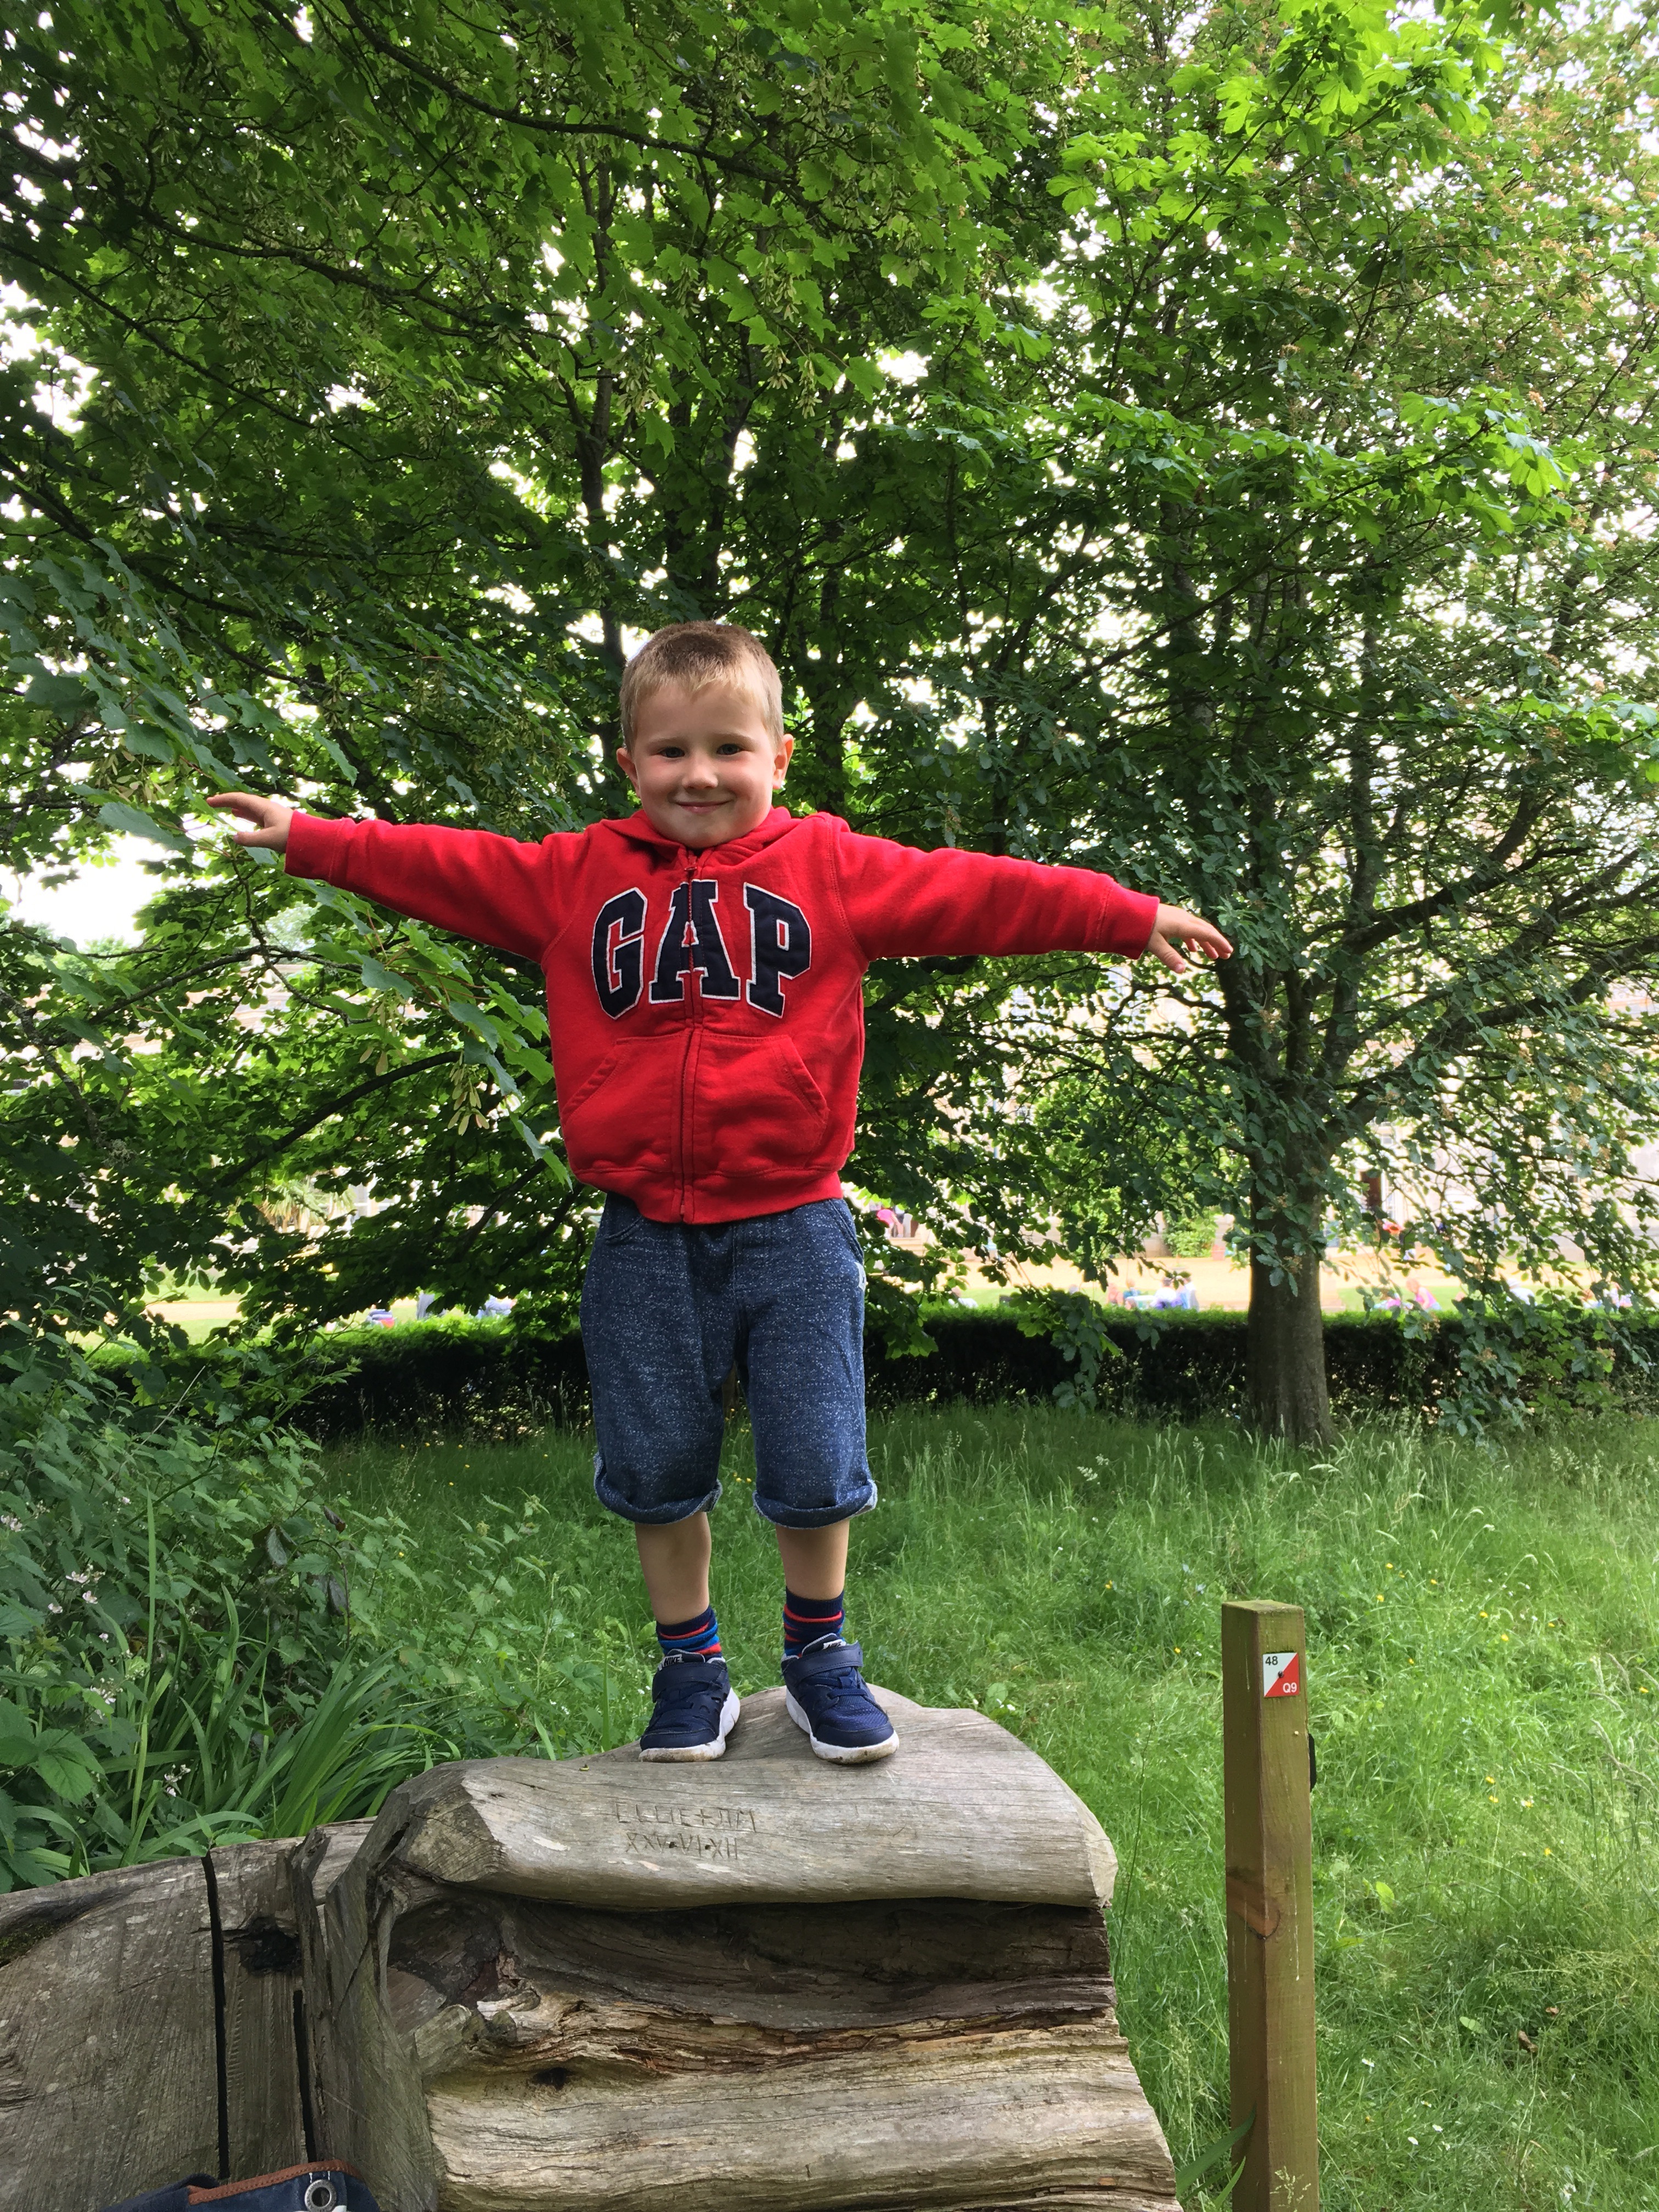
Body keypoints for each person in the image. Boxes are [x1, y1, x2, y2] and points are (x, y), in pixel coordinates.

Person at [207, 623, 1231, 1767]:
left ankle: (819, 1656)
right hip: (645, 1233)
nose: (699, 774)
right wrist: (312, 838)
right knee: (655, 1470)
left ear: (779, 758)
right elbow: (442, 865)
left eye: (729, 749)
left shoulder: (833, 869)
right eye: (670, 751)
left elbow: (984, 893)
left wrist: (1126, 915)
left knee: (816, 1459)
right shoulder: (572, 879)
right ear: (629, 762)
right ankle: (691, 1668)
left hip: (796, 1225)